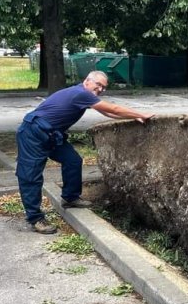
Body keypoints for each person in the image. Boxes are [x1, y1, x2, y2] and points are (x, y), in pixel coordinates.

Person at [16, 71, 154, 234]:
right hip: (33, 133)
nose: (101, 89)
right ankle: (35, 218)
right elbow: (114, 108)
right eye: (98, 85)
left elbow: (108, 113)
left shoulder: (83, 94)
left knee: (73, 160)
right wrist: (141, 114)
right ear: (87, 81)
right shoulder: (80, 93)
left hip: (52, 134)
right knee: (30, 175)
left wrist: (134, 117)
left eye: (104, 87)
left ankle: (70, 197)